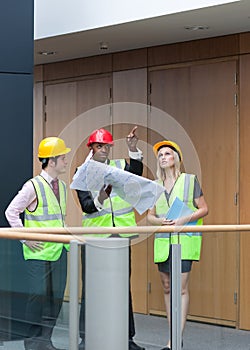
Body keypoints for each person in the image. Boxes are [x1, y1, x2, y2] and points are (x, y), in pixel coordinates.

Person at [76, 127, 145, 350]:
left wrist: (133, 149)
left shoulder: (120, 166)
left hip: (121, 235)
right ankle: (86, 338)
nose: (103, 150)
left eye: (106, 146)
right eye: (99, 146)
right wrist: (101, 198)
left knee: (123, 287)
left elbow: (136, 171)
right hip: (95, 237)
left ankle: (127, 338)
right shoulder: (82, 172)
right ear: (92, 148)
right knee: (91, 289)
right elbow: (87, 207)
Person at [5, 137, 71, 350]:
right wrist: (25, 237)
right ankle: (33, 344)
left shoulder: (61, 186)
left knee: (56, 300)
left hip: (59, 250)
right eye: (63, 158)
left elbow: (59, 219)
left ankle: (45, 341)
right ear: (51, 161)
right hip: (39, 253)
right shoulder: (33, 186)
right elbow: (11, 212)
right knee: (38, 299)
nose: (65, 161)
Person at [147, 140, 208, 350]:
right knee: (166, 287)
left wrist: (185, 219)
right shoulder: (155, 186)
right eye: (160, 155)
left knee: (180, 289)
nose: (163, 157)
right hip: (164, 243)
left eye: (167, 154)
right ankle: (175, 335)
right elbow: (150, 216)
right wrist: (159, 222)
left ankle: (173, 341)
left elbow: (204, 209)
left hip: (184, 242)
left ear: (176, 158)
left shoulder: (190, 181)